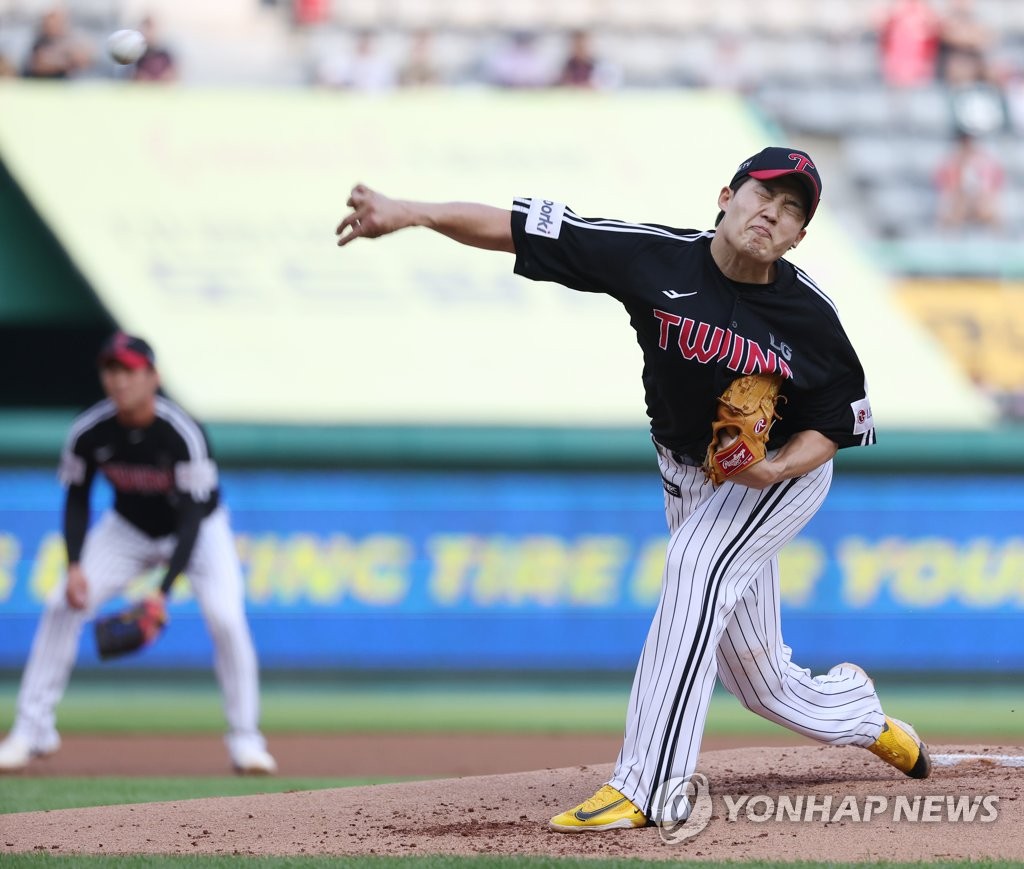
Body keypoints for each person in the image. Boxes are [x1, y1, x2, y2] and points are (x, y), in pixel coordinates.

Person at [333, 147, 932, 831]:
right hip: (686, 472)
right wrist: (408, 212)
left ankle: (648, 784)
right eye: (764, 193)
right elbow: (518, 228)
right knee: (760, 681)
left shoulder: (810, 317)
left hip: (776, 477)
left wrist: (770, 470)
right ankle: (859, 711)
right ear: (725, 197)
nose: (773, 211)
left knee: (694, 567)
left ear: (799, 236)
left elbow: (834, 425)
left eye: (793, 208)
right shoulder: (652, 258)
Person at [0, 333, 276, 775]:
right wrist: (74, 565)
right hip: (127, 530)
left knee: (226, 617)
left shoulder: (181, 432)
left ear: (153, 377)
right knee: (61, 603)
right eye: (111, 370)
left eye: (128, 370)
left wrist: (162, 592)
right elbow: (76, 497)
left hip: (199, 531)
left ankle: (246, 740)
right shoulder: (90, 430)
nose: (118, 380)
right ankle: (33, 731)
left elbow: (190, 517)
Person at [934, 131, 1005, 230]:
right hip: (959, 198)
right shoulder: (952, 161)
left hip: (979, 198)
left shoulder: (983, 160)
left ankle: (999, 240)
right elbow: (944, 182)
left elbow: (995, 180)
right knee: (951, 211)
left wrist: (986, 195)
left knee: (991, 212)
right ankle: (948, 238)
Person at [21, 8, 92, 79]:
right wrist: (66, 63)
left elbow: (84, 59)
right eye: (50, 21)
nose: (53, 25)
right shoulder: (40, 40)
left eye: (58, 21)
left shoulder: (71, 39)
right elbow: (39, 64)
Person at [131, 15, 178, 83]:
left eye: (150, 29)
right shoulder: (137, 55)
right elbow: (135, 77)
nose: (148, 33)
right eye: (145, 29)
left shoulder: (165, 54)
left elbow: (172, 76)